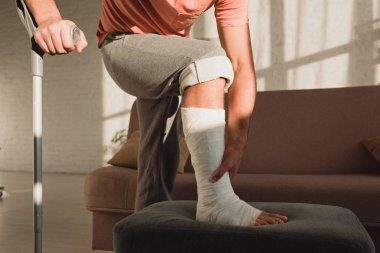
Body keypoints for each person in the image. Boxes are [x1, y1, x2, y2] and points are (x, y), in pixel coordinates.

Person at [25, 0, 288, 227]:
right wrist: (49, 17)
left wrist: (238, 142)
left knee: (158, 171)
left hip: (171, 53)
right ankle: (216, 202)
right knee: (209, 60)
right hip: (121, 43)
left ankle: (146, 236)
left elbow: (241, 64)